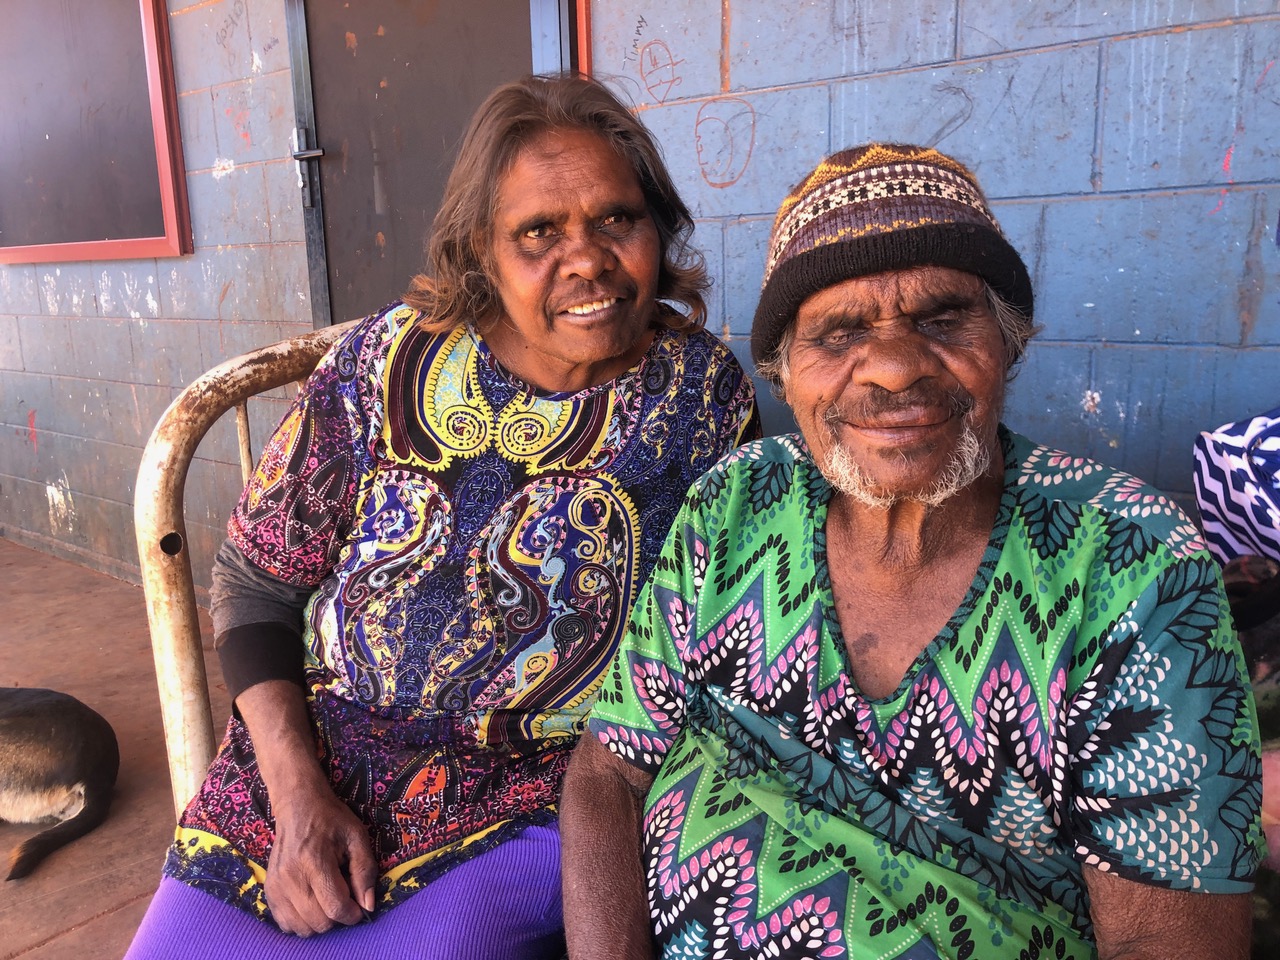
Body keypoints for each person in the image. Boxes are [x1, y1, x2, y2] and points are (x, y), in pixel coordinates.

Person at [561, 143, 1265, 959]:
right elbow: (608, 771)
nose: (894, 370)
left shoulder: (1130, 562)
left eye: (942, 320)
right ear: (786, 375)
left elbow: (1168, 941)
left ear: (1008, 343)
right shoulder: (736, 500)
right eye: (839, 332)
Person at [125, 74, 759, 960]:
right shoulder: (381, 363)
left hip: (545, 789)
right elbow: (255, 581)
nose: (587, 261)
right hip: (319, 752)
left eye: (618, 218)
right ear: (481, 251)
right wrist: (297, 793)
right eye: (539, 232)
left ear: (658, 227)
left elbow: (727, 636)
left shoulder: (700, 397)